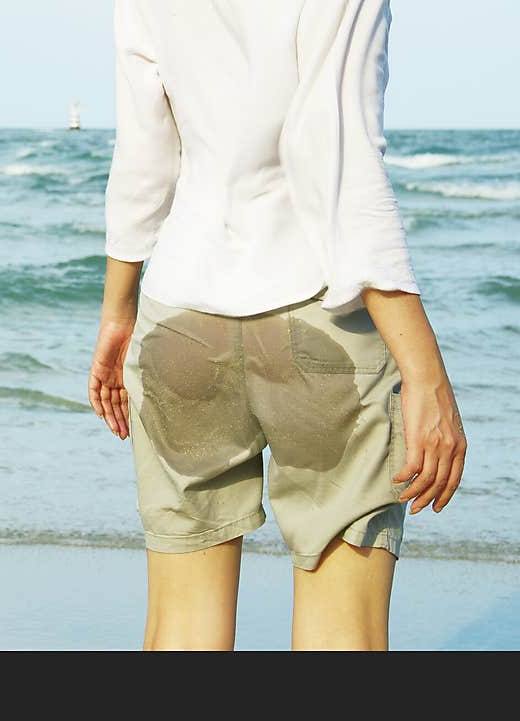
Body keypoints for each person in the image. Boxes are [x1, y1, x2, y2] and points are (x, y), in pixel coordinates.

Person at [87, 0, 467, 651]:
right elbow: (339, 155)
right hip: (323, 317)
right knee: (342, 631)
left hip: (181, 311)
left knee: (181, 627)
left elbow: (145, 154)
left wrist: (117, 311)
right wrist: (426, 372)